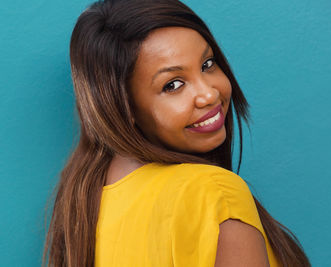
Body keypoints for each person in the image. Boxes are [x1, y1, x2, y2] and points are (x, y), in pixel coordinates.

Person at [43, 0, 311, 266]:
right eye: (173, 85)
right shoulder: (215, 195)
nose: (208, 94)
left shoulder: (86, 197)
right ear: (124, 109)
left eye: (207, 64)